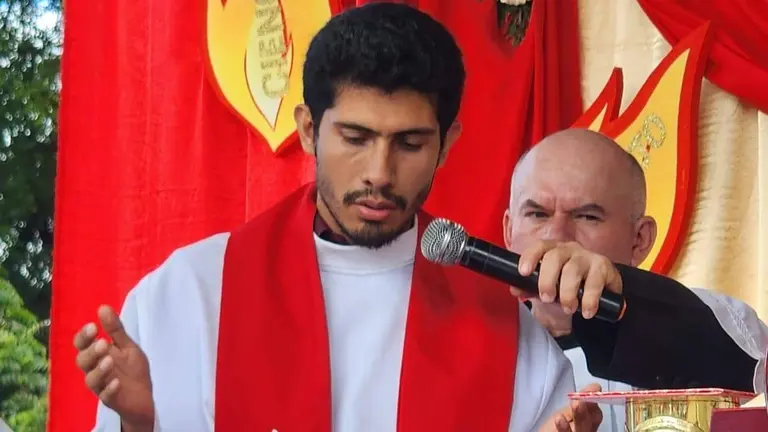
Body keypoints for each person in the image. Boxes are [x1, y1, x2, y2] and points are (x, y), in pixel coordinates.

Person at [73, 4, 606, 432]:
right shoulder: (186, 295)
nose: (379, 172)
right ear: (308, 129)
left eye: (411, 143)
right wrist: (137, 426)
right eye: (355, 138)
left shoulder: (501, 320)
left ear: (447, 145)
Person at [501, 128, 768, 431]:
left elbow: (752, 372)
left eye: (587, 216)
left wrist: (616, 295)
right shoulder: (475, 347)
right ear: (509, 231)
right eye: (537, 214)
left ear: (639, 239)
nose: (557, 236)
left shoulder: (702, 325)